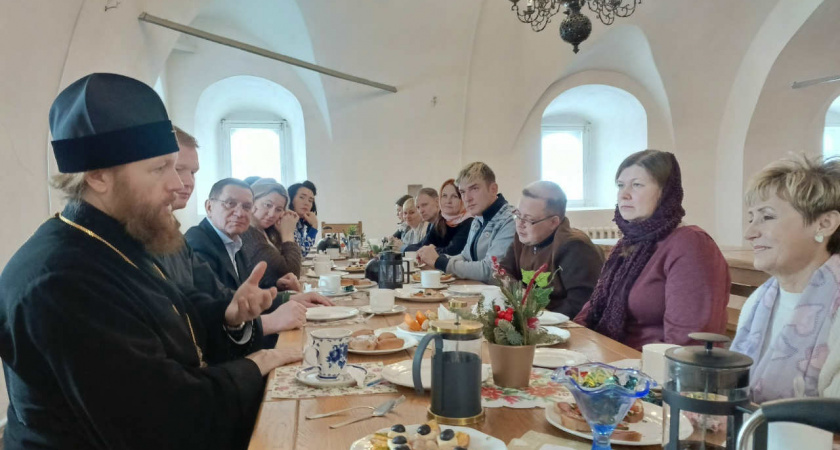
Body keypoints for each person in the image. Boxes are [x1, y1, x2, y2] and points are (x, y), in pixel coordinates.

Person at [0, 73, 299, 449]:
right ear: (98, 176)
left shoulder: (128, 236)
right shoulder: (62, 279)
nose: (178, 185)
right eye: (160, 168)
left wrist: (231, 316)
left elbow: (177, 324)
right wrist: (256, 365)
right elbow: (159, 416)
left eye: (176, 167)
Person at [159, 132, 327, 347]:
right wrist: (270, 321)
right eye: (230, 204)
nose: (240, 213)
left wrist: (286, 297)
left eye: (246, 207)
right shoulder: (199, 242)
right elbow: (209, 314)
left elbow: (232, 297)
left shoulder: (233, 241)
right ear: (209, 206)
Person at [574, 150, 729, 351]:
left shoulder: (691, 244)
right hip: (612, 359)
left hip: (653, 372)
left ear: (665, 192)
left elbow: (688, 343)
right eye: (620, 185)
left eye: (637, 185)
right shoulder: (628, 243)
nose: (624, 194)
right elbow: (593, 310)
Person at [731, 155, 840, 402]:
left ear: (824, 224)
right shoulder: (760, 300)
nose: (750, 233)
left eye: (767, 217)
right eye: (751, 218)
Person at [499, 181, 604, 318]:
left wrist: (533, 312)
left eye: (529, 219)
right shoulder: (524, 238)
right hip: (534, 321)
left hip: (569, 328)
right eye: (518, 215)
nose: (520, 224)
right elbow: (502, 272)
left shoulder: (576, 248)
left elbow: (581, 307)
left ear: (554, 222)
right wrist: (520, 294)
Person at [417, 162, 515, 283]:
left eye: (474, 189)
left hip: (499, 298)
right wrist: (433, 259)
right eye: (462, 192)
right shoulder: (478, 218)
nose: (467, 198)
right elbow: (465, 257)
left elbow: (491, 271)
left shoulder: (510, 220)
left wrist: (439, 262)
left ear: (493, 189)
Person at [242, 178, 303, 286]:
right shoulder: (247, 233)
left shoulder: (264, 231)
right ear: (251, 202)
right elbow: (291, 273)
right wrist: (287, 234)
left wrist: (280, 233)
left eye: (278, 209)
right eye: (267, 205)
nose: (271, 214)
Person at [407, 185, 473, 257]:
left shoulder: (468, 221)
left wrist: (431, 251)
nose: (448, 201)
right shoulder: (441, 221)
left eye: (454, 196)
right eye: (444, 196)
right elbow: (423, 245)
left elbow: (453, 251)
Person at [287, 180, 319, 256]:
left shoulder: (299, 222)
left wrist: (313, 226)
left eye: (310, 200)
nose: (306, 203)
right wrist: (314, 226)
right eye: (302, 197)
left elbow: (302, 251)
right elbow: (300, 254)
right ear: (291, 199)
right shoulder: (287, 220)